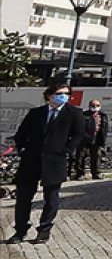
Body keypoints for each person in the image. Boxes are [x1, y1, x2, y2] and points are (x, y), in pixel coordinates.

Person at [5, 83, 87, 244]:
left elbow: (78, 135)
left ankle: (44, 229)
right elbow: (21, 133)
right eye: (59, 93)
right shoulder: (36, 113)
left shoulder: (74, 113)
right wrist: (22, 149)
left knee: (51, 198)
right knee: (24, 197)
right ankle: (20, 230)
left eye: (66, 93)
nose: (63, 96)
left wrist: (66, 151)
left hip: (55, 160)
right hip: (31, 159)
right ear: (49, 95)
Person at [71, 99, 109, 180]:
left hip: (97, 139)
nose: (95, 107)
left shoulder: (103, 115)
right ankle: (80, 174)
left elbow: (104, 128)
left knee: (96, 157)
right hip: (84, 139)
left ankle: (96, 173)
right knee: (80, 157)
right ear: (89, 106)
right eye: (93, 106)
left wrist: (103, 139)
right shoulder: (84, 115)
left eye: (97, 105)